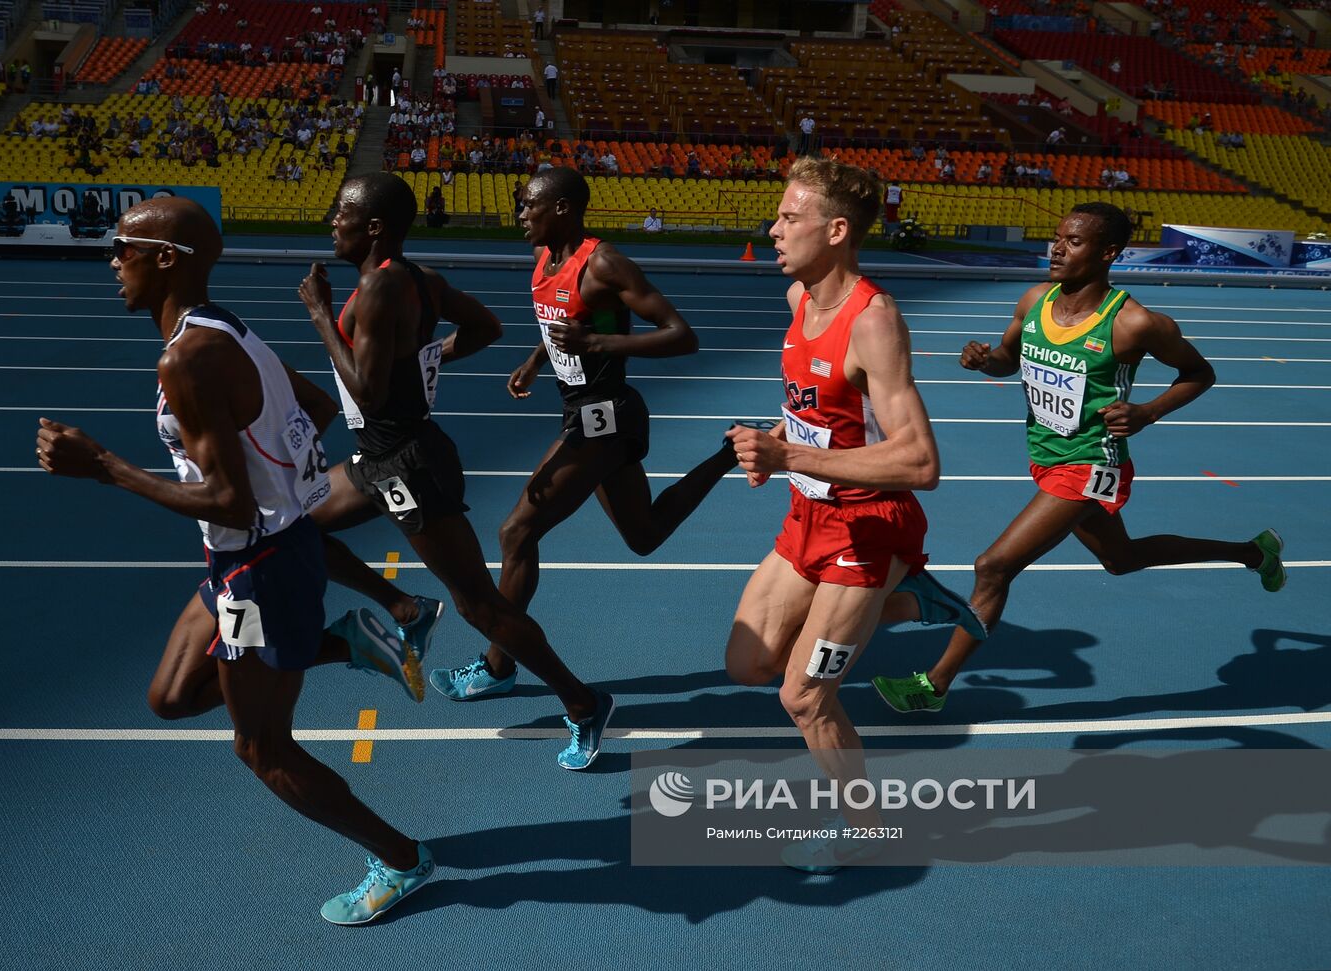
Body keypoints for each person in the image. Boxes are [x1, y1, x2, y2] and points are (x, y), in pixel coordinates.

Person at [35, 198, 434, 925]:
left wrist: (103, 466)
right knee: (170, 697)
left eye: (122, 246)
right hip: (261, 556)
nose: (112, 260)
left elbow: (230, 502)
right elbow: (310, 406)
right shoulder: (226, 328)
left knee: (261, 748)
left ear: (165, 259)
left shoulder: (187, 356)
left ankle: (402, 859)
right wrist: (278, 475)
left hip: (258, 565)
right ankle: (346, 640)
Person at [871, 203, 1285, 715]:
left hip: (1092, 464)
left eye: (1073, 241)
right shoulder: (1034, 302)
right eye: (1056, 237)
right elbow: (1007, 361)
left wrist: (1147, 412)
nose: (1057, 248)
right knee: (1122, 560)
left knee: (993, 567)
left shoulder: (1134, 324)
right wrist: (984, 361)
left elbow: (1200, 373)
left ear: (1108, 252)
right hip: (1047, 456)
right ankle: (1253, 552)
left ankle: (932, 686)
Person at [299, 173, 614, 770]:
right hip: (378, 458)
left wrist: (319, 314)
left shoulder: (379, 290)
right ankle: (404, 611)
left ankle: (583, 703)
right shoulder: (421, 280)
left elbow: (365, 391)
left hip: (409, 465)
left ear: (373, 228)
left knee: (479, 606)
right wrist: (429, 354)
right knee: (292, 524)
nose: (329, 224)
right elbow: (485, 328)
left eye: (339, 214)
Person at [426, 167, 746, 701]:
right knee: (643, 535)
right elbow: (562, 323)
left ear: (561, 209)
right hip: (581, 408)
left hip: (606, 415)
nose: (520, 214)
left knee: (516, 533)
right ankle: (728, 453)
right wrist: (536, 359)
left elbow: (681, 336)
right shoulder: (543, 259)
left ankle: (497, 663)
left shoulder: (603, 263)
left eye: (529, 204)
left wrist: (595, 346)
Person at [721, 157, 956, 873]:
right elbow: (815, 413)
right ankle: (906, 598)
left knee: (804, 694)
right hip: (808, 518)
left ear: (838, 229)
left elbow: (920, 462)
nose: (775, 227)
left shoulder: (874, 321)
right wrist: (778, 440)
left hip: (870, 526)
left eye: (790, 218)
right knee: (749, 662)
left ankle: (869, 827)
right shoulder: (798, 297)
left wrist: (790, 458)